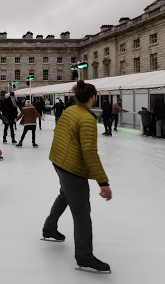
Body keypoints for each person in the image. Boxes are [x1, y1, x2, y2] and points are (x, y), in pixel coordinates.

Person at [42, 80, 112, 273]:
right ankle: (84, 256)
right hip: (72, 168)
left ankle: (49, 228)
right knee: (82, 214)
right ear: (93, 98)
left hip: (59, 162)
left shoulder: (69, 111)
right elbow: (89, 152)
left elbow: (60, 134)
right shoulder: (87, 119)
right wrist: (103, 182)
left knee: (64, 195)